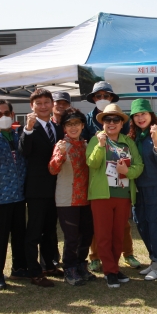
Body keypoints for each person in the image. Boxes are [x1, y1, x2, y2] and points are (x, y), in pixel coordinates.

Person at [82, 81, 140, 271]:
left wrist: (128, 172)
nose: (112, 123)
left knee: (120, 230)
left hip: (122, 193)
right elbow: (91, 163)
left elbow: (139, 165)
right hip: (101, 191)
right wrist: (99, 144)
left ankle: (123, 258)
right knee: (101, 231)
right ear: (102, 122)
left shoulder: (127, 141)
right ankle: (102, 262)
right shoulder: (93, 134)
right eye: (108, 120)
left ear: (122, 122)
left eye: (116, 119)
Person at [0, 100, 36, 287]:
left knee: (19, 235)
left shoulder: (19, 135)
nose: (3, 117)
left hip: (18, 196)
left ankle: (19, 268)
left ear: (12, 115)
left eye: (6, 113)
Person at [48, 108, 95, 286]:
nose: (73, 127)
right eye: (69, 124)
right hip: (67, 198)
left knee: (87, 234)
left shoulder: (87, 144)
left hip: (87, 197)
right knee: (72, 236)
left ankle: (82, 265)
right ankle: (70, 268)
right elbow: (52, 169)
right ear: (64, 128)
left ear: (83, 125)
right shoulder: (61, 145)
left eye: (76, 123)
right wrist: (59, 154)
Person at [20, 88, 63, 279]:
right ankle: (34, 270)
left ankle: (49, 265)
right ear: (32, 106)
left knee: (50, 229)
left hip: (55, 187)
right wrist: (28, 129)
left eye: (47, 102)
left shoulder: (57, 127)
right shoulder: (29, 127)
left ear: (52, 104)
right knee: (34, 231)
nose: (43, 106)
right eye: (39, 103)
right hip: (36, 188)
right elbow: (24, 151)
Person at [128, 99, 157, 281]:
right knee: (142, 224)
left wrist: (156, 141)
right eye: (136, 115)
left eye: (143, 114)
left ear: (151, 115)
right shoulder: (132, 136)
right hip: (138, 188)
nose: (140, 118)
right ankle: (154, 261)